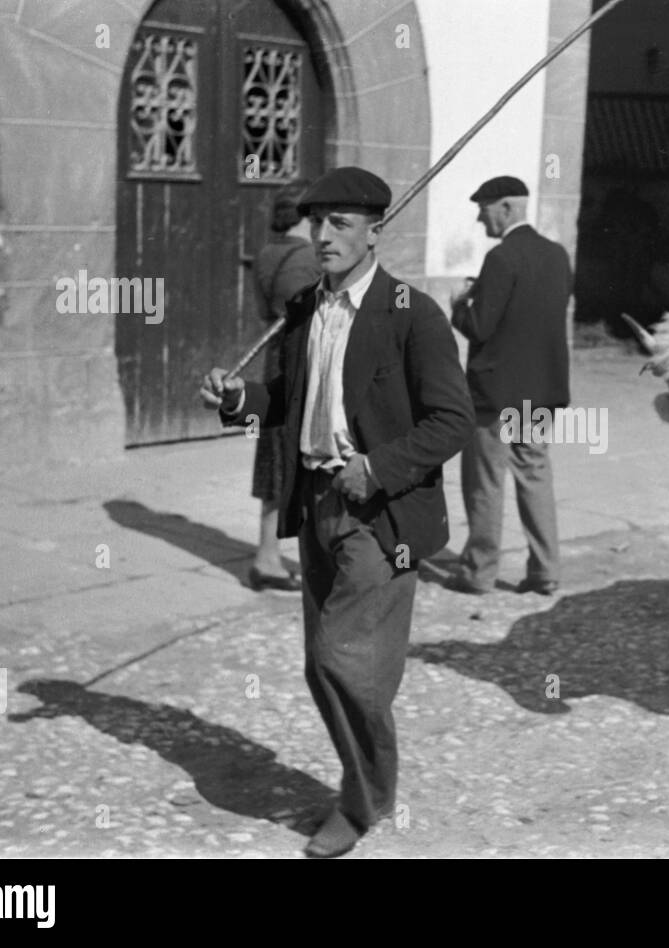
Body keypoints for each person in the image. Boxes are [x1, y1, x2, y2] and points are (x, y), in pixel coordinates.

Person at [198, 167, 474, 858]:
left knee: (341, 660)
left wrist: (377, 467)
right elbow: (285, 402)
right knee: (326, 666)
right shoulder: (305, 311)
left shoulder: (413, 313)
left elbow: (453, 420)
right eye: (317, 222)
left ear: (374, 232)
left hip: (380, 515)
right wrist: (238, 400)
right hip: (315, 503)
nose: (324, 236)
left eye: (341, 224)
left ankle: (362, 801)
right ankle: (368, 781)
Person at [446, 175, 572, 596]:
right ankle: (545, 571)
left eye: (484, 211)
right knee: (535, 476)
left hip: (496, 395)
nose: (481, 221)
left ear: (505, 208)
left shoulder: (500, 259)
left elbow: (482, 326)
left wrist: (459, 305)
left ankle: (479, 572)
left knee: (485, 482)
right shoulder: (557, 256)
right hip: (540, 392)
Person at [247, 181, 321, 592]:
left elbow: (265, 311)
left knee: (275, 462)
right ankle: (290, 558)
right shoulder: (312, 258)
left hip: (274, 362)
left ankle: (268, 557)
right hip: (305, 364)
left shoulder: (266, 254)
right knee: (309, 460)